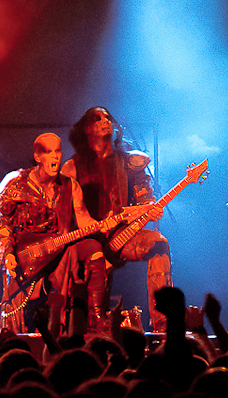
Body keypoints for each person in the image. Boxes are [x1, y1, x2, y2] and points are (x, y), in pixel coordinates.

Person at [62, 107, 170, 332]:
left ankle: (163, 325)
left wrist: (150, 209)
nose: (106, 121)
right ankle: (93, 329)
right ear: (87, 129)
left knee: (159, 243)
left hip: (124, 235)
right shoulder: (72, 168)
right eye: (98, 119)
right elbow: (65, 214)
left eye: (108, 117)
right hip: (88, 240)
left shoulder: (131, 162)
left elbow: (145, 198)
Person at [0, 133, 113, 334]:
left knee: (95, 248)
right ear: (38, 156)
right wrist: (8, 254)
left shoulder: (70, 185)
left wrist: (103, 225)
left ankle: (96, 319)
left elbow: (84, 219)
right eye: (49, 152)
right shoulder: (16, 184)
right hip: (28, 255)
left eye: (58, 151)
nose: (55, 157)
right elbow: (2, 223)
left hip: (60, 250)